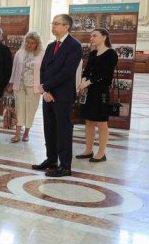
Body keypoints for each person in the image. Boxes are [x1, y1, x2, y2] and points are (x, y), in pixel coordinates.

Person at [32, 14, 83, 178]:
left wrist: (46, 86)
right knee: (49, 128)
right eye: (52, 23)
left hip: (63, 95)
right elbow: (43, 69)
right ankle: (51, 160)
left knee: (63, 130)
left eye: (56, 24)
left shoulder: (74, 45)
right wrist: (45, 91)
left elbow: (67, 72)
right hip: (49, 95)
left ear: (67, 26)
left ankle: (65, 166)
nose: (53, 26)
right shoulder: (51, 45)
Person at [76, 28, 118, 163]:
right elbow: (87, 70)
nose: (91, 38)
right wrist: (83, 81)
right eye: (91, 36)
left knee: (101, 123)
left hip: (101, 91)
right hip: (89, 91)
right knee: (88, 121)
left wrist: (88, 82)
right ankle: (88, 150)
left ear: (104, 37)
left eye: (94, 36)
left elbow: (106, 75)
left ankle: (101, 153)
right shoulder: (93, 53)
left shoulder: (111, 53)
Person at [8, 31, 44, 142]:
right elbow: (14, 69)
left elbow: (44, 71)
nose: (29, 45)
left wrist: (44, 86)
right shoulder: (20, 52)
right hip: (19, 85)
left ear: (37, 44)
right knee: (19, 109)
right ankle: (17, 133)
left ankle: (26, 132)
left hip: (34, 87)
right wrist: (11, 83)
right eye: (27, 42)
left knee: (30, 110)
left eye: (32, 43)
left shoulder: (42, 54)